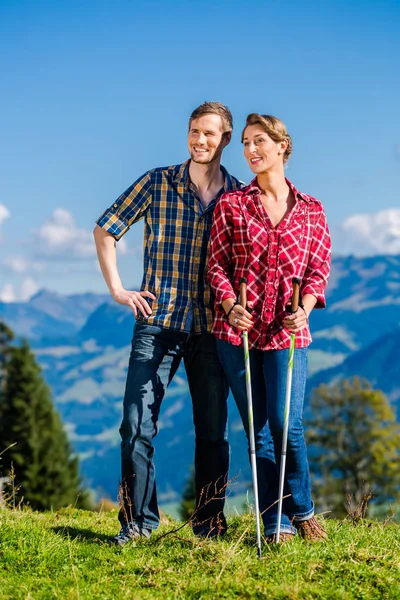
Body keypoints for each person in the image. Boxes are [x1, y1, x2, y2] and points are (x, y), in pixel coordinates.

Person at [93, 102, 243, 545]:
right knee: (136, 425)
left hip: (212, 330)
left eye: (209, 134)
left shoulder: (237, 196)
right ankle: (138, 525)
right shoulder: (158, 182)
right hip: (156, 324)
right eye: (195, 131)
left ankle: (209, 525)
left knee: (213, 433)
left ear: (225, 140)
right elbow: (106, 229)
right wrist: (119, 290)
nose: (200, 140)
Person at [208, 113, 331, 543]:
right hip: (238, 334)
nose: (250, 150)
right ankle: (274, 520)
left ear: (283, 146)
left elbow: (318, 271)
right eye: (244, 143)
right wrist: (229, 304)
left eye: (259, 141)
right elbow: (216, 266)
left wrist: (308, 307)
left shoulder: (312, 211)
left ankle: (303, 510)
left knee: (286, 423)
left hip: (287, 333)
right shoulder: (232, 205)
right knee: (258, 427)